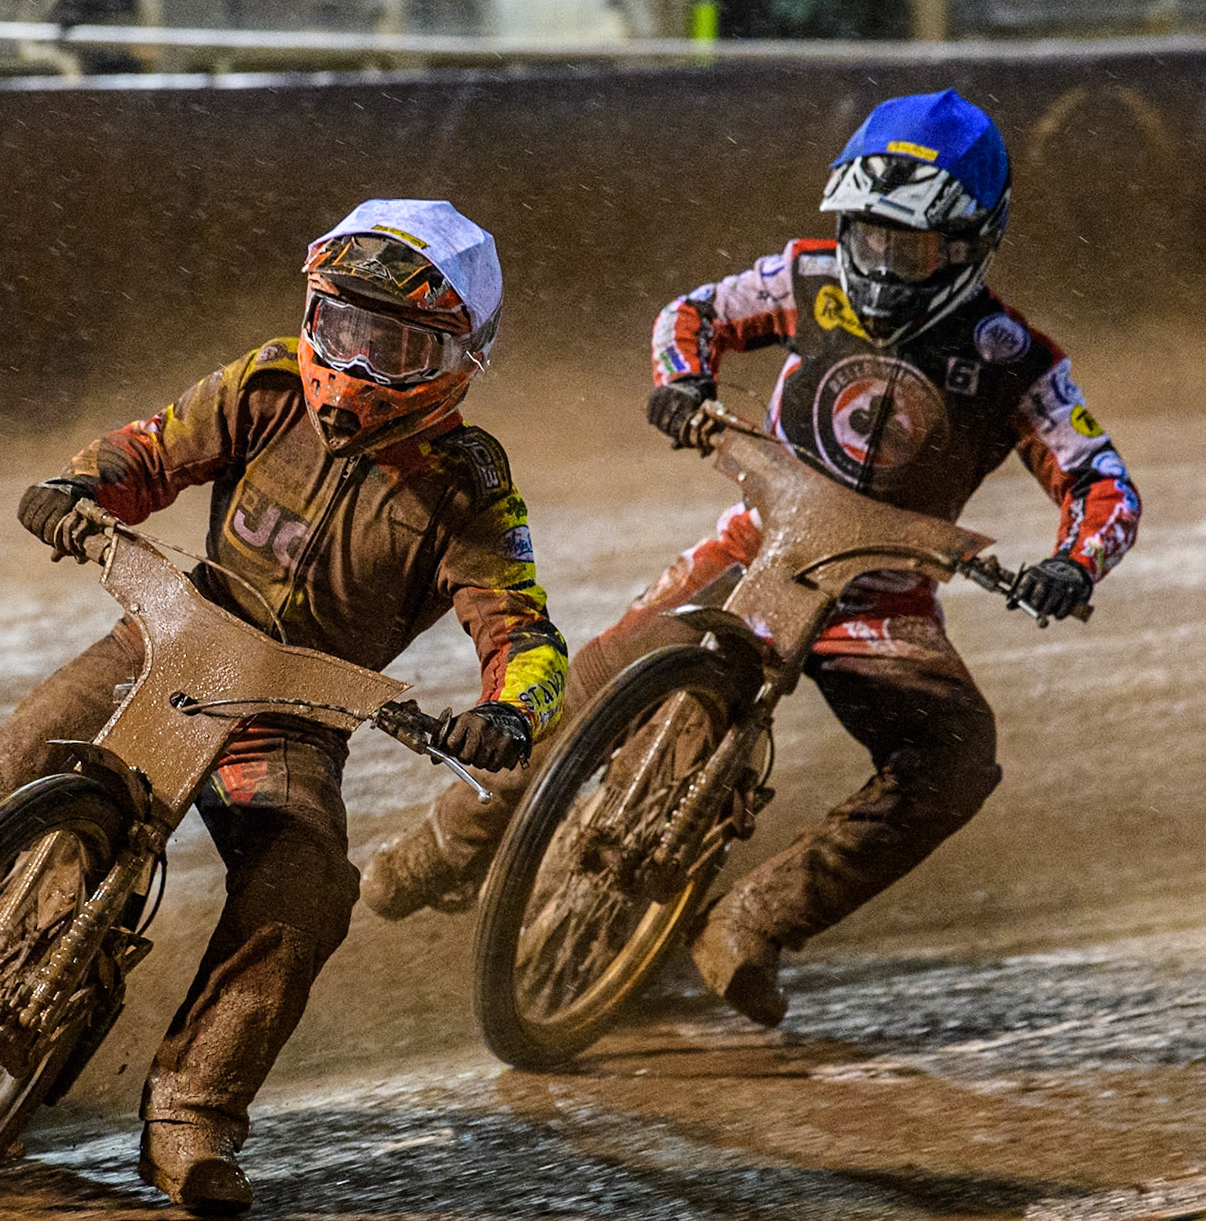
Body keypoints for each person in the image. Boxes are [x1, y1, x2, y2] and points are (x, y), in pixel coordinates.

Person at [0, 199, 571, 1211]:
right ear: (312, 313)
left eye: (398, 344)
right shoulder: (269, 381)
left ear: (460, 359)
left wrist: (507, 711)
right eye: (344, 328)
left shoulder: (473, 486)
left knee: (306, 890)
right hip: (161, 638)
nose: (360, 364)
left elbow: (526, 635)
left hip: (289, 716)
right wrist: (81, 485)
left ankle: (192, 1112)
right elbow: (153, 446)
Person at [364, 90, 1140, 1027]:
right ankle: (445, 844)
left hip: (880, 599)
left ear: (976, 243)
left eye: (912, 247)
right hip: (757, 543)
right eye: (868, 234)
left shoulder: (1015, 357)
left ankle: (754, 922)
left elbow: (1102, 480)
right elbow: (691, 314)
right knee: (577, 688)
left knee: (957, 759)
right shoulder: (805, 275)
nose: (883, 265)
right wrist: (680, 383)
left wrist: (1074, 563)